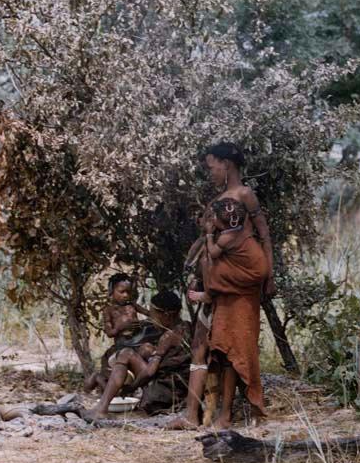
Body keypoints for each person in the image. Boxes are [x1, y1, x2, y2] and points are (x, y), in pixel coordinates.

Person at [167, 141, 274, 430]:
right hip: (213, 283)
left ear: (226, 164)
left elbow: (264, 235)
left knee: (232, 348)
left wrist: (270, 275)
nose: (210, 172)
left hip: (237, 286)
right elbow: (207, 238)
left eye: (212, 166)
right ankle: (191, 415)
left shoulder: (244, 195)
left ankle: (225, 416)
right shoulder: (219, 200)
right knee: (200, 346)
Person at [188, 197, 269, 428]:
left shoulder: (231, 239)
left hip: (240, 303)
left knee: (239, 356)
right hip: (227, 302)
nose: (208, 221)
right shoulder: (232, 236)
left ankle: (229, 415)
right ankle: (219, 415)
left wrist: (215, 288)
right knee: (225, 355)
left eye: (211, 217)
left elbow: (256, 270)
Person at [84, 291, 191, 421]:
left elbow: (149, 372)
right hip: (183, 388)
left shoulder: (168, 336)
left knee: (126, 354)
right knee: (143, 350)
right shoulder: (187, 326)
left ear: (167, 316)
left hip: (166, 390)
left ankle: (101, 409)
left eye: (153, 315)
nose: (151, 319)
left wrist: (132, 387)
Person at [84, 273, 158, 394]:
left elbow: (150, 314)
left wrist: (143, 324)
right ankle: (97, 378)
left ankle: (148, 387)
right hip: (121, 347)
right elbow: (109, 333)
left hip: (137, 345)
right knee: (112, 383)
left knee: (149, 350)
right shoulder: (109, 310)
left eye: (128, 292)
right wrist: (120, 327)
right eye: (121, 291)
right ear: (111, 291)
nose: (125, 295)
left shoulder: (132, 306)